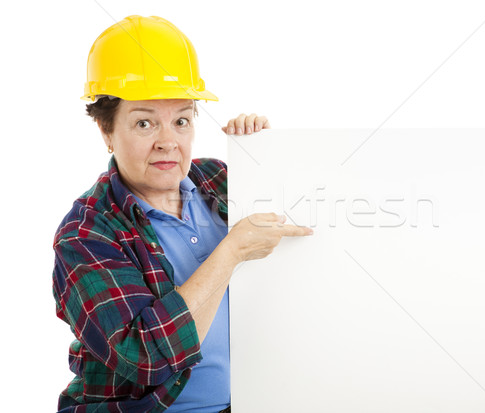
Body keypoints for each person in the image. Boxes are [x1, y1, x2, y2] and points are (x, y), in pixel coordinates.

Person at [51, 15, 312, 413]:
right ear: (106, 130)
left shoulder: (218, 181)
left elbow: (296, 232)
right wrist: (230, 252)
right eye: (144, 123)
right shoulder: (85, 234)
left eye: (182, 121)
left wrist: (262, 156)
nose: (168, 142)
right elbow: (145, 357)